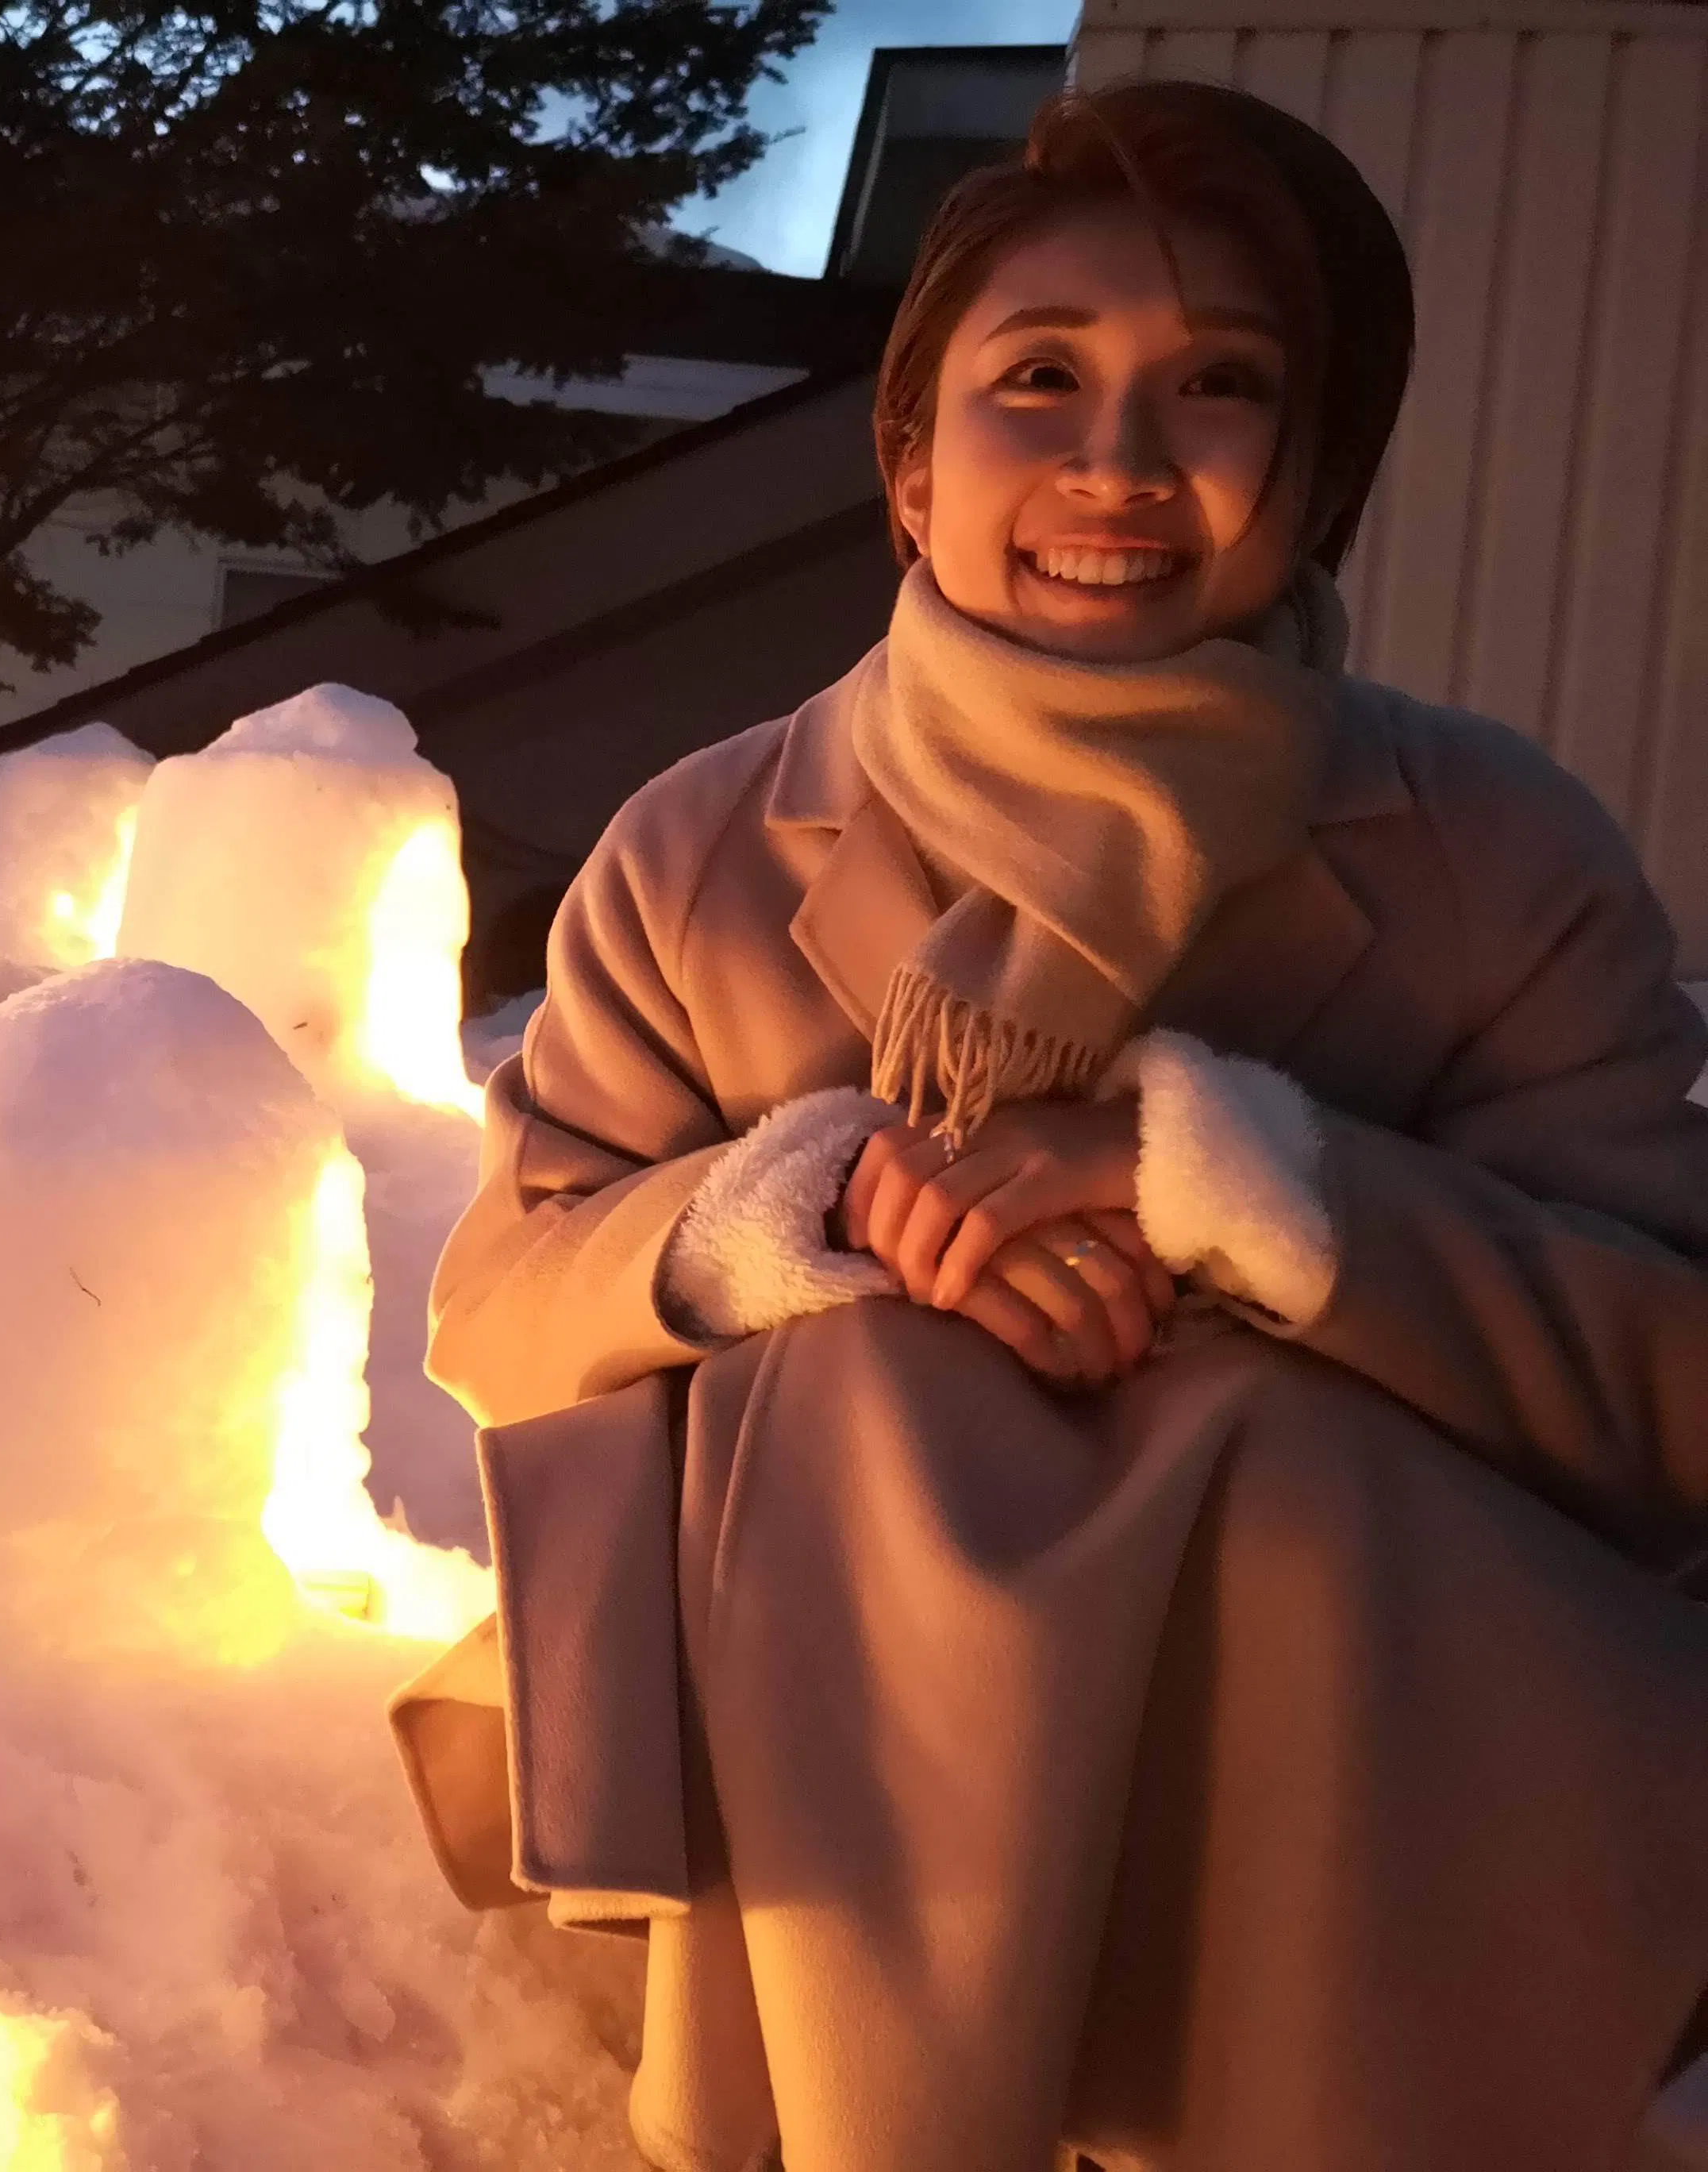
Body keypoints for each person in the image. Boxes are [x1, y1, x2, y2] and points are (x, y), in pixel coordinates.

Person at [387, 79, 1708, 2172]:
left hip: (1345, 1795)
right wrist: (809, 1213)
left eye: (1221, 387)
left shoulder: (1496, 856)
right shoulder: (704, 852)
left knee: (1266, 1451)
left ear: (1312, 478)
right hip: (820, 1730)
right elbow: (505, 1306)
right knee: (873, 1389)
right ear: (912, 467)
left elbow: (1669, 1384)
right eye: (1041, 379)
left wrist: (1225, 1189)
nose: (1120, 462)